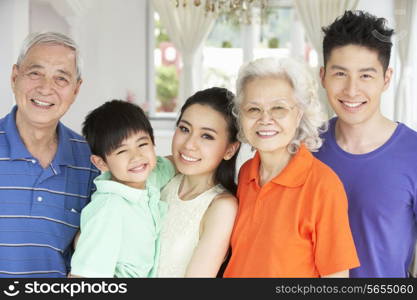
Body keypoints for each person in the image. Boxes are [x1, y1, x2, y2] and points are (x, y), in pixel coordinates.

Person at [223, 57, 359, 277]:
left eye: (278, 108)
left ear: (298, 115)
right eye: (253, 109)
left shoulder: (323, 186)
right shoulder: (246, 172)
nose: (265, 119)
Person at [315, 10, 417, 278]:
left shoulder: (414, 153)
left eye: (366, 76)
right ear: (323, 76)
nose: (351, 90)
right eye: (340, 74)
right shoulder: (305, 148)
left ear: (386, 78)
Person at [0, 32, 97, 278]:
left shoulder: (92, 162)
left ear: (76, 90)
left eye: (61, 79)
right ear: (14, 77)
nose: (46, 88)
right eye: (35, 73)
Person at [70, 100, 175, 278]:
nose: (137, 156)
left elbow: (176, 163)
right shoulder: (109, 207)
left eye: (142, 144)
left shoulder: (152, 175)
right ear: (101, 162)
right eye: (121, 151)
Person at [157, 87, 240, 277]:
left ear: (230, 149)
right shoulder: (162, 179)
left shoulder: (221, 207)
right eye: (184, 129)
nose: (188, 144)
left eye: (206, 136)